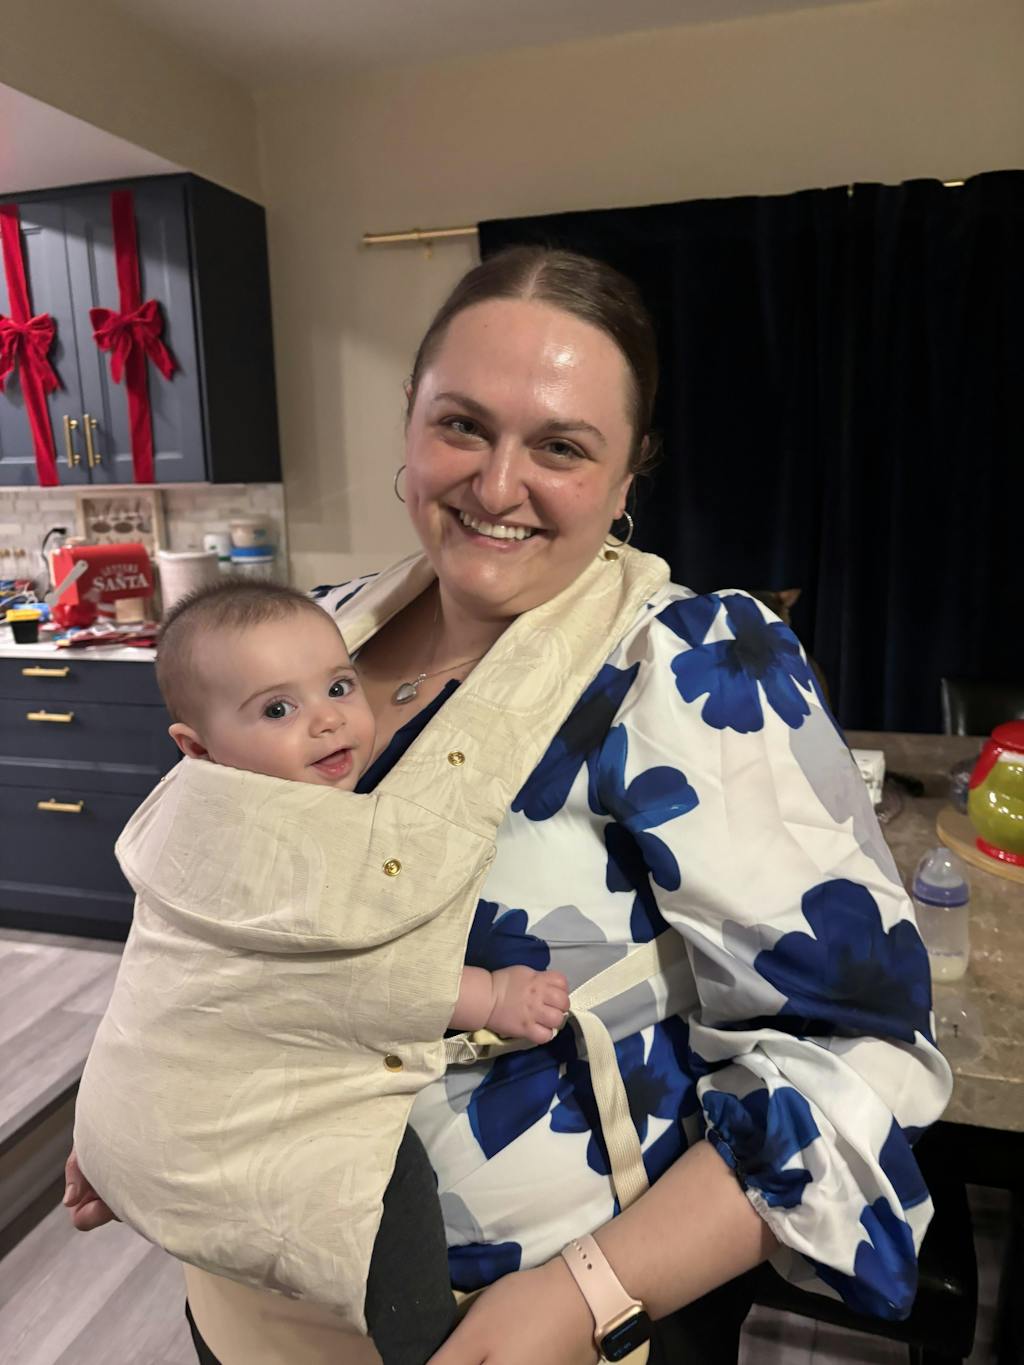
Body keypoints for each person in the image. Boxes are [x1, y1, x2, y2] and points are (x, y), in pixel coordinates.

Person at [66, 247, 952, 1365]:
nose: (495, 486)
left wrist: (583, 1296)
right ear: (408, 422)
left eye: (562, 446)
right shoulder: (302, 638)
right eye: (462, 426)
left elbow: (860, 1053)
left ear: (628, 477)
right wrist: (141, 1094)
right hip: (236, 1301)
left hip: (513, 1331)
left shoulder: (691, 666)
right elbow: (206, 907)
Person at [72, 578, 569, 1365]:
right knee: (383, 1178)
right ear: (197, 749)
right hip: (249, 1103)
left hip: (157, 1104)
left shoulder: (189, 813)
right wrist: (493, 993)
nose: (328, 718)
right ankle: (427, 1347)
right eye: (278, 708)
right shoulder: (283, 847)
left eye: (339, 686)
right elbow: (366, 974)